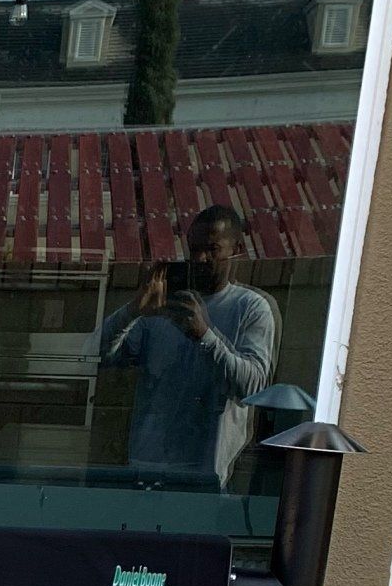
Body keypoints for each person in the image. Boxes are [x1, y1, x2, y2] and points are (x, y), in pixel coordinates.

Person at [96, 203, 278, 487]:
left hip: (205, 470)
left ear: (236, 249)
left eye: (212, 249)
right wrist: (134, 310)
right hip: (147, 465)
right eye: (194, 250)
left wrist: (204, 335)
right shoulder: (164, 305)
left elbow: (253, 387)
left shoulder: (251, 308)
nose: (200, 259)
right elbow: (96, 355)